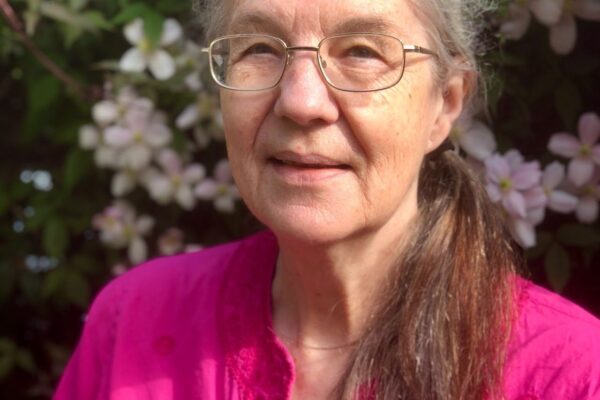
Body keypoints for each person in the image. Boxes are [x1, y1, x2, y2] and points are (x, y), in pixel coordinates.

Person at [55, 0, 600, 399]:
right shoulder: (134, 322)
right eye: (261, 49)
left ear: (445, 104)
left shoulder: (569, 374)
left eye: (362, 51)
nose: (301, 101)